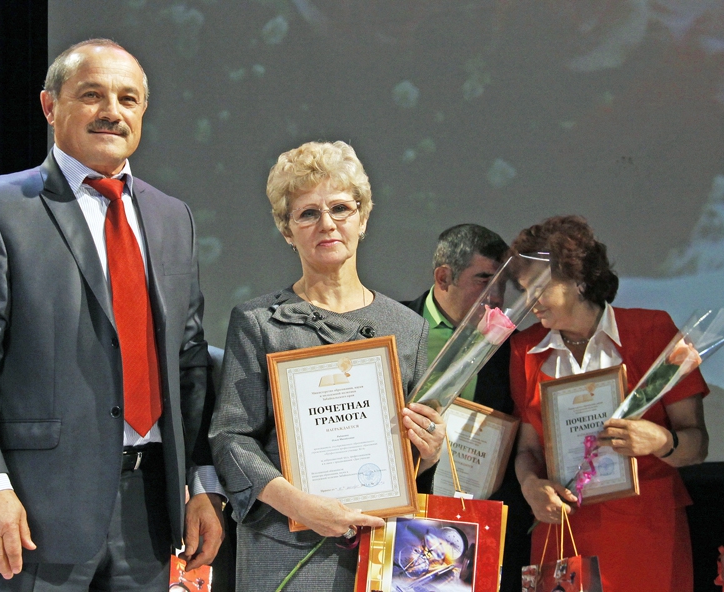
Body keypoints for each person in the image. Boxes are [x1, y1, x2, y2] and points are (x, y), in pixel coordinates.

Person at [0, 39, 224, 591]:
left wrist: (202, 483)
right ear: (49, 106)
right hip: (30, 514)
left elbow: (188, 362)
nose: (112, 111)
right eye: (91, 95)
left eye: (127, 99)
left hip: (150, 516)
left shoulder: (171, 217)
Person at [208, 141, 446, 591]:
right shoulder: (258, 322)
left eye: (340, 208)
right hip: (282, 548)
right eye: (308, 213)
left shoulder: (407, 327)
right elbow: (230, 438)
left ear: (363, 218)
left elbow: (411, 458)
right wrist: (300, 506)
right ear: (286, 230)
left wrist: (428, 451)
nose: (327, 224)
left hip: (378, 553)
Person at [509, 215, 709, 592]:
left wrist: (662, 441)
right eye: (523, 290)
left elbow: (697, 445)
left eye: (538, 288)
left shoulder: (652, 331)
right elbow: (528, 449)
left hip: (643, 533)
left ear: (578, 279)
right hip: (562, 528)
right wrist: (530, 486)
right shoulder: (525, 349)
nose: (529, 302)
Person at [401, 223, 532, 592]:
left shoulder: (514, 346)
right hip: (406, 518)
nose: (498, 296)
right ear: (444, 277)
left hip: (483, 523)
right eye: (485, 280)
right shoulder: (394, 326)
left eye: (503, 283)